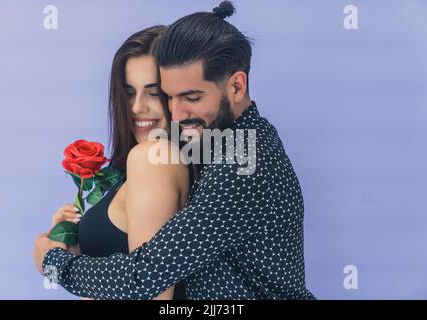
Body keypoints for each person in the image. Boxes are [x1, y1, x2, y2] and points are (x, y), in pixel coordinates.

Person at [34, 1, 315, 300]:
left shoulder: (242, 164)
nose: (177, 113)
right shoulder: (228, 142)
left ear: (236, 87)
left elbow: (143, 279)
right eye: (168, 97)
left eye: (191, 97)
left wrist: (51, 262)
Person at [47, 25, 194, 300]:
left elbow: (150, 293)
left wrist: (52, 261)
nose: (137, 107)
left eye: (153, 92)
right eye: (128, 92)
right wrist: (75, 250)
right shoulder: (163, 159)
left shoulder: (153, 158)